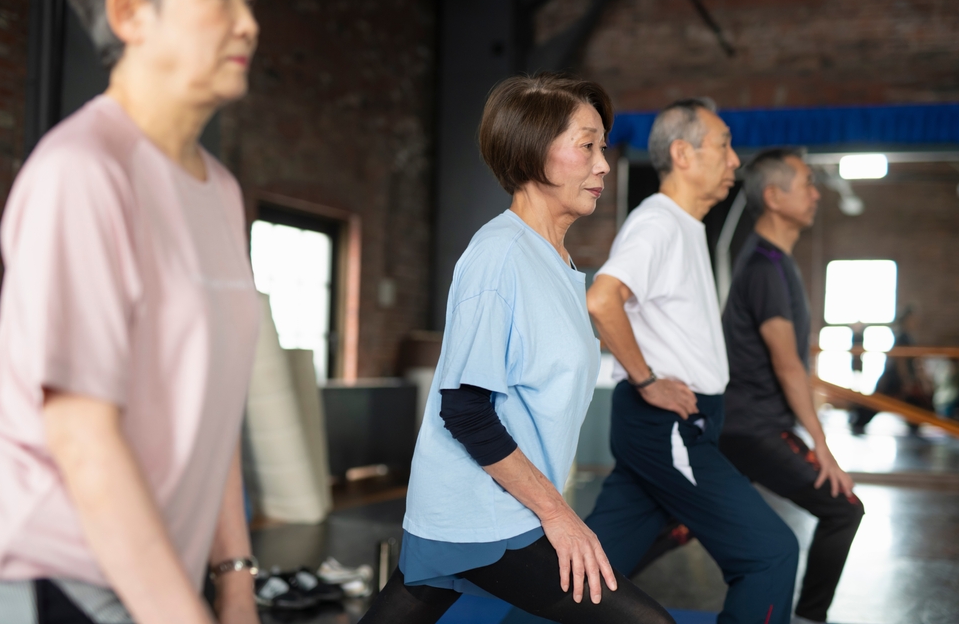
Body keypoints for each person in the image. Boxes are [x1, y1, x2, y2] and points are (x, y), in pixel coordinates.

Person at [0, 0, 261, 623]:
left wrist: (234, 578)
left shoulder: (220, 192)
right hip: (55, 573)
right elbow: (82, 435)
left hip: (154, 570)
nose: (249, 23)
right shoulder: (82, 171)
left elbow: (212, 402)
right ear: (131, 13)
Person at [360, 74, 674, 624]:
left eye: (602, 146)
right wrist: (559, 516)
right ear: (533, 151)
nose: (602, 163)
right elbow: (465, 409)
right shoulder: (500, 257)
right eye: (586, 145)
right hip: (485, 513)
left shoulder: (554, 260)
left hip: (503, 505)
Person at [584, 99, 799, 624]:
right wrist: (648, 380)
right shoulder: (658, 223)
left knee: (591, 570)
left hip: (677, 424)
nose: (734, 161)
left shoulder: (684, 225)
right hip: (669, 424)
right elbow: (602, 298)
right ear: (682, 154)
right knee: (770, 554)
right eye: (724, 146)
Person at [719, 148, 865, 624]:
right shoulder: (764, 267)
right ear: (774, 197)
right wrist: (821, 446)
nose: (816, 193)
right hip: (752, 429)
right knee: (844, 510)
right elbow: (788, 367)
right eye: (806, 183)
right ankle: (808, 618)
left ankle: (590, 590)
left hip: (745, 427)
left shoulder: (776, 262)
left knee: (677, 525)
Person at [850, 306, 933, 435]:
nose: (915, 322)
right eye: (912, 319)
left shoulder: (907, 337)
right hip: (894, 379)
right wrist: (906, 381)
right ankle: (859, 419)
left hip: (896, 379)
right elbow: (901, 362)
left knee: (907, 403)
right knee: (877, 403)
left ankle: (915, 424)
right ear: (906, 320)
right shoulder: (902, 337)